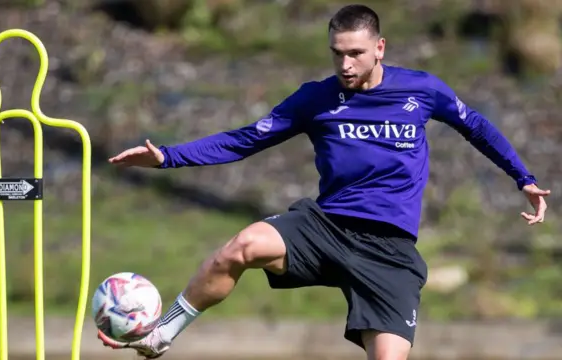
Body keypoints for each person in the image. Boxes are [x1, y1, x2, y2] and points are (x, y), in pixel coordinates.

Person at [97, 4, 551, 360]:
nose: (346, 64)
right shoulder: (316, 98)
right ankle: (161, 335)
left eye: (355, 53)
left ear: (380, 48)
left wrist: (522, 178)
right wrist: (167, 157)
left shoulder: (422, 90)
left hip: (389, 253)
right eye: (338, 53)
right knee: (241, 247)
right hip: (326, 228)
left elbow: (478, 127)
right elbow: (244, 140)